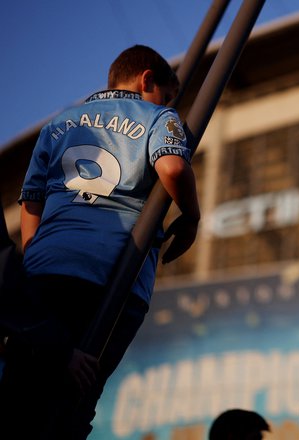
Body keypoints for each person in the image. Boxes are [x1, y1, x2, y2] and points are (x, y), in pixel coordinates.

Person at [0, 44, 200, 440]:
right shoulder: (158, 115)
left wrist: (38, 257)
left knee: (18, 401)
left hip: (47, 272)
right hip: (116, 275)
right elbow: (173, 166)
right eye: (166, 93)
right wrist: (191, 217)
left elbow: (31, 204)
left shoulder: (58, 124)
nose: (167, 101)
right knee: (75, 405)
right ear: (147, 80)